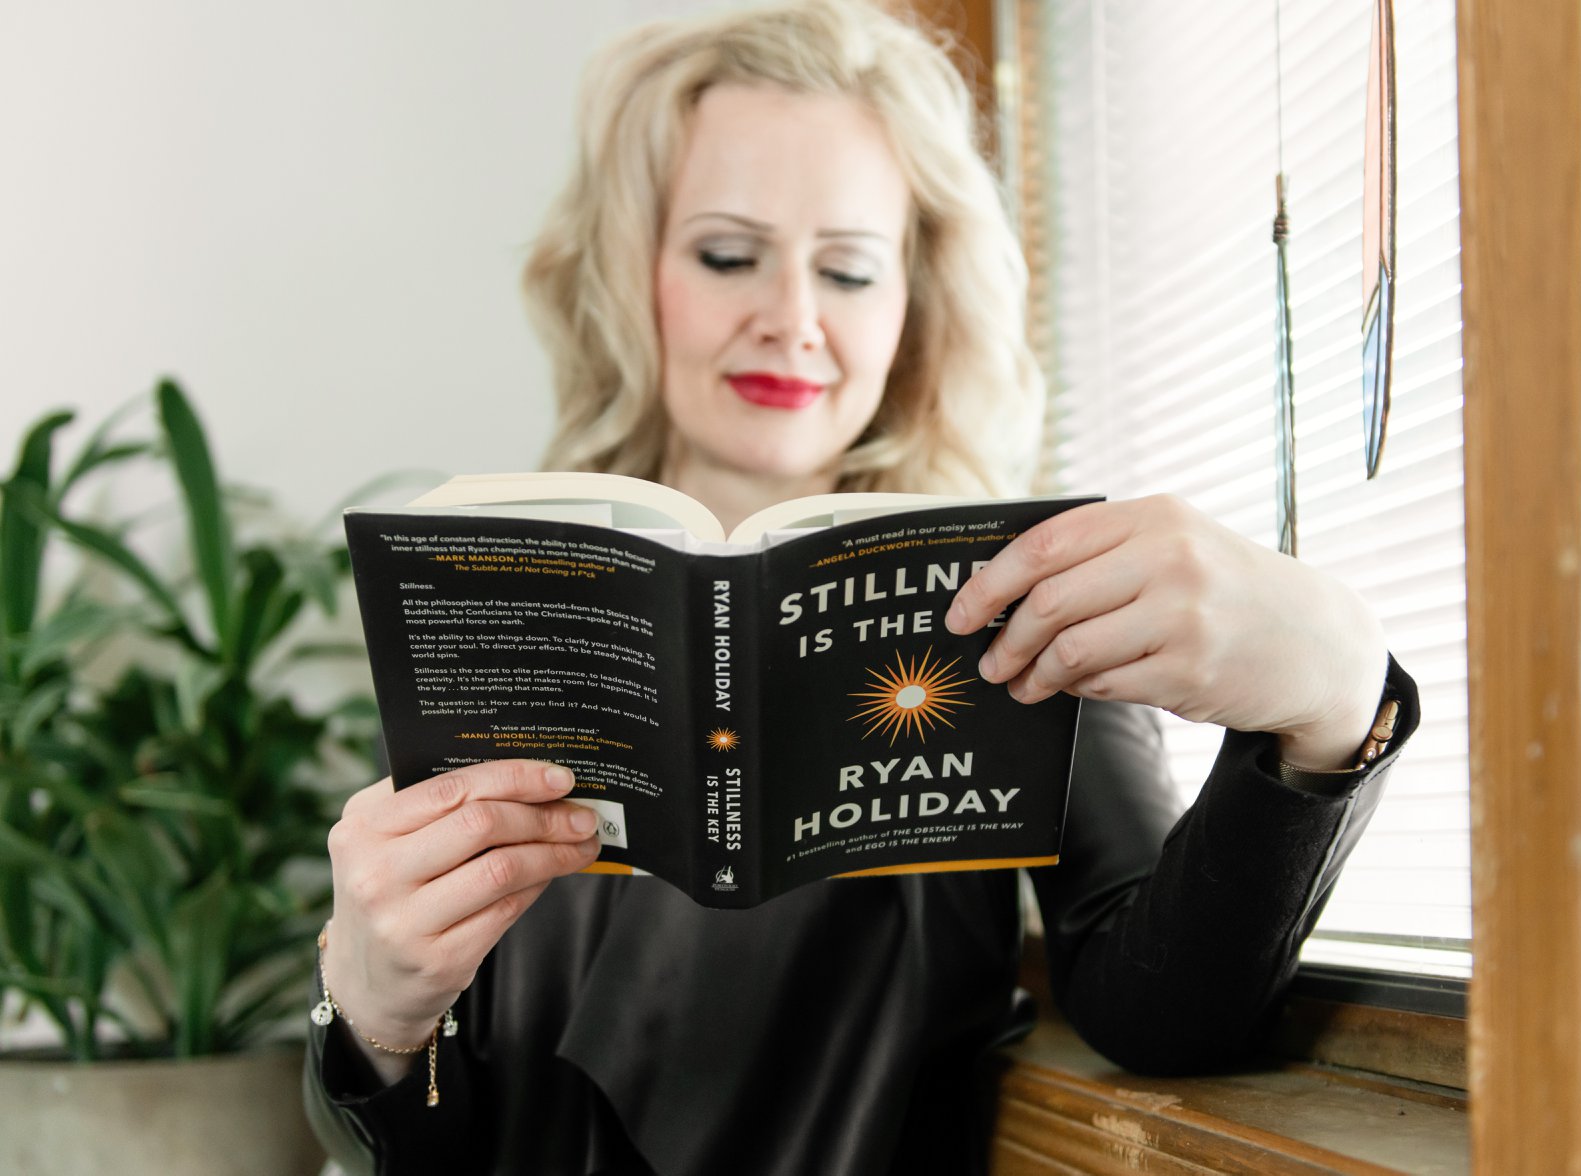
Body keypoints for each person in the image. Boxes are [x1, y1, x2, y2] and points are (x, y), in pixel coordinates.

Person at [304, 2, 1417, 1172]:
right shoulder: (502, 609)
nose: (791, 321)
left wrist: (1333, 694)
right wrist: (373, 1016)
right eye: (729, 255)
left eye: (846, 269)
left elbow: (1159, 1009)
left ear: (912, 304)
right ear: (635, 276)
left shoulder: (1018, 600)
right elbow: (394, 1137)